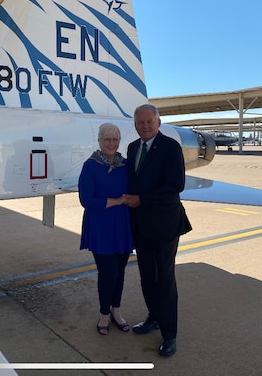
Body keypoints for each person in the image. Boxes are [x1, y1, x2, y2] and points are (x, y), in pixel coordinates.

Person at [123, 103, 192, 357]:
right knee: (146, 276)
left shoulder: (170, 147)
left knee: (164, 280)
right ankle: (153, 317)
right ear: (135, 125)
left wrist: (142, 199)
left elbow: (176, 184)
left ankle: (169, 334)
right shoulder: (133, 148)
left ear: (158, 123)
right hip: (141, 225)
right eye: (140, 122)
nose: (145, 126)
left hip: (164, 224)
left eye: (149, 122)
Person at [78, 123, 135, 336]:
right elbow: (87, 200)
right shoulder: (90, 166)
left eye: (115, 139)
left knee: (119, 271)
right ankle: (104, 313)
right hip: (100, 225)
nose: (111, 143)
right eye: (107, 139)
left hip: (121, 225)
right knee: (108, 271)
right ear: (100, 141)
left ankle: (116, 311)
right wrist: (118, 200)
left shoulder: (125, 165)